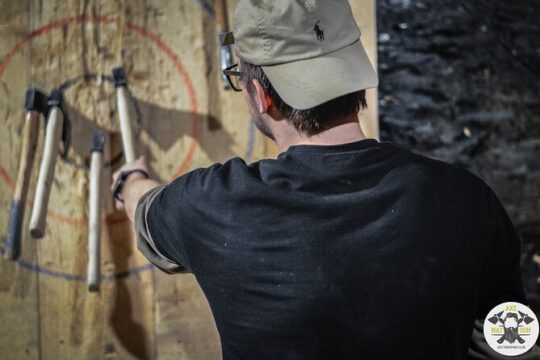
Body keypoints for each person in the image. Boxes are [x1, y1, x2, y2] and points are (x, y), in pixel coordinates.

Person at [111, 0, 539, 358]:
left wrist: (130, 180)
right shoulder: (467, 201)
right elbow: (512, 340)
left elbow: (144, 208)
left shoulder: (209, 206)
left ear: (261, 95)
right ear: (354, 72)